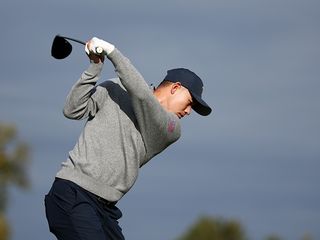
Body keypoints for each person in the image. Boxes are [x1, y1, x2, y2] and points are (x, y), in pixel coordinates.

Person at [44, 37, 212, 240]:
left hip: (105, 210)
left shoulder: (171, 128)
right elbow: (72, 110)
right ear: (175, 88)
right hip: (71, 193)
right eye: (189, 102)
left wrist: (113, 52)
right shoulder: (115, 88)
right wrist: (94, 67)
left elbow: (143, 97)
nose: (188, 112)